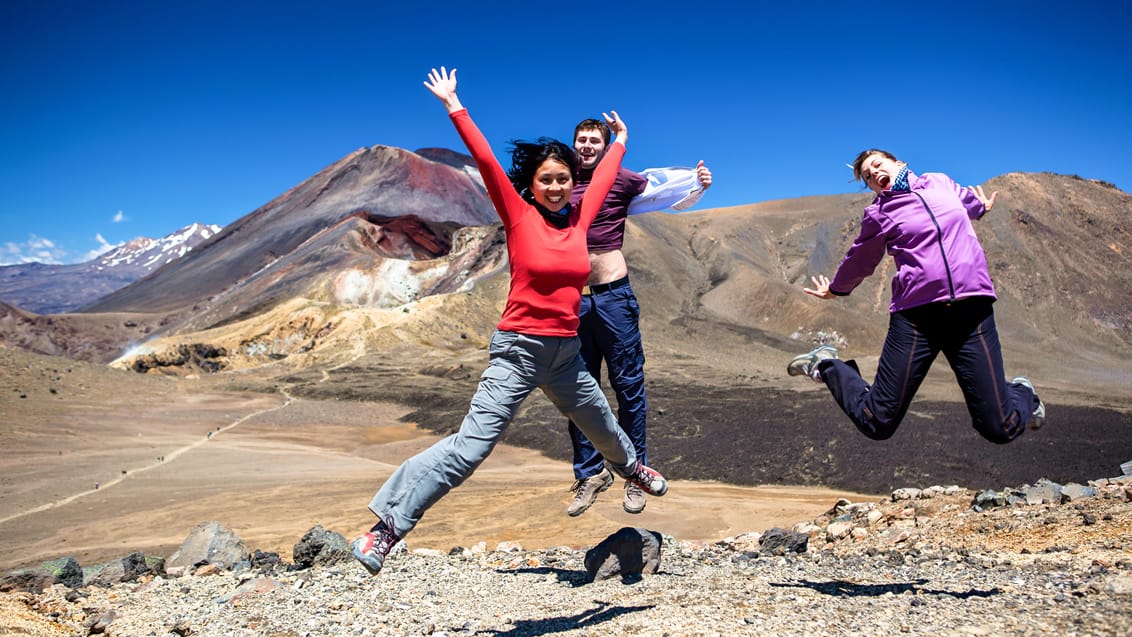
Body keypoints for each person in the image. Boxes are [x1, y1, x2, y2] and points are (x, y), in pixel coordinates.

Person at [351, 67, 669, 576]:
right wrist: (455, 105)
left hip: (564, 355)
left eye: (564, 179)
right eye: (547, 179)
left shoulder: (579, 220)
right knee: (469, 449)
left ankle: (633, 471)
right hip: (518, 353)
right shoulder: (518, 215)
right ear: (532, 184)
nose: (557, 186)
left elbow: (606, 177)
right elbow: (483, 157)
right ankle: (384, 530)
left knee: (604, 425)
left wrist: (621, 144)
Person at [787, 149, 1045, 445]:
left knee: (1001, 427)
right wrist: (835, 289)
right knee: (876, 421)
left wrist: (981, 208)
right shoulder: (879, 213)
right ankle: (825, 364)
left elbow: (965, 201)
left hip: (972, 311)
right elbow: (860, 258)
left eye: (877, 166)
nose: (874, 176)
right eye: (868, 178)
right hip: (917, 319)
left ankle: (1025, 393)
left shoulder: (939, 182)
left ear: (898, 163)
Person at [565, 118, 713, 516]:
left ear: (605, 143)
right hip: (572, 301)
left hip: (614, 297)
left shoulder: (622, 178)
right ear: (573, 142)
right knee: (578, 390)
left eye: (595, 140)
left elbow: (663, 193)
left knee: (628, 386)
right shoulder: (562, 177)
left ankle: (636, 474)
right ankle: (589, 474)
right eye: (582, 139)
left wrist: (697, 184)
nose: (587, 146)